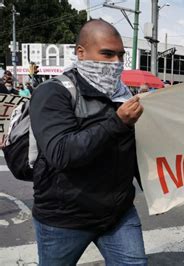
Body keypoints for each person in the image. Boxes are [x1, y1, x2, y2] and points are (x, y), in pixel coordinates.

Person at [29, 19, 147, 265]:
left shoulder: (123, 94)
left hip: (118, 215)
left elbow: (134, 150)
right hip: (64, 220)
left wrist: (161, 191)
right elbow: (61, 153)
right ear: (81, 52)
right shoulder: (53, 92)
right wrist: (117, 122)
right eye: (107, 54)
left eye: (120, 55)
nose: (115, 63)